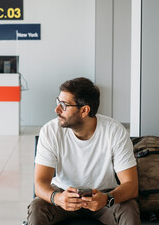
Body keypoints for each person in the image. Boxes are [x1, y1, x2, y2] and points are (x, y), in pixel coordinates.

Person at [27, 77, 140, 225]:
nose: (57, 110)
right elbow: (40, 183)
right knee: (37, 207)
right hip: (63, 193)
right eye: (58, 102)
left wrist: (107, 198)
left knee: (129, 209)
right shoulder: (50, 131)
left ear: (84, 110)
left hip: (103, 195)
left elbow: (131, 185)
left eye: (64, 105)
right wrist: (57, 198)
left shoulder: (115, 131)